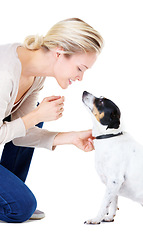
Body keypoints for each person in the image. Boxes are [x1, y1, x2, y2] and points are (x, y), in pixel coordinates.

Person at [0, 18, 103, 223]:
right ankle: (11, 201)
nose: (80, 78)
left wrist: (71, 138)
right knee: (21, 208)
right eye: (80, 68)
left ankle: (9, 196)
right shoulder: (5, 73)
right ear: (59, 52)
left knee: (32, 119)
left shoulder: (35, 74)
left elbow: (21, 135)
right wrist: (37, 115)